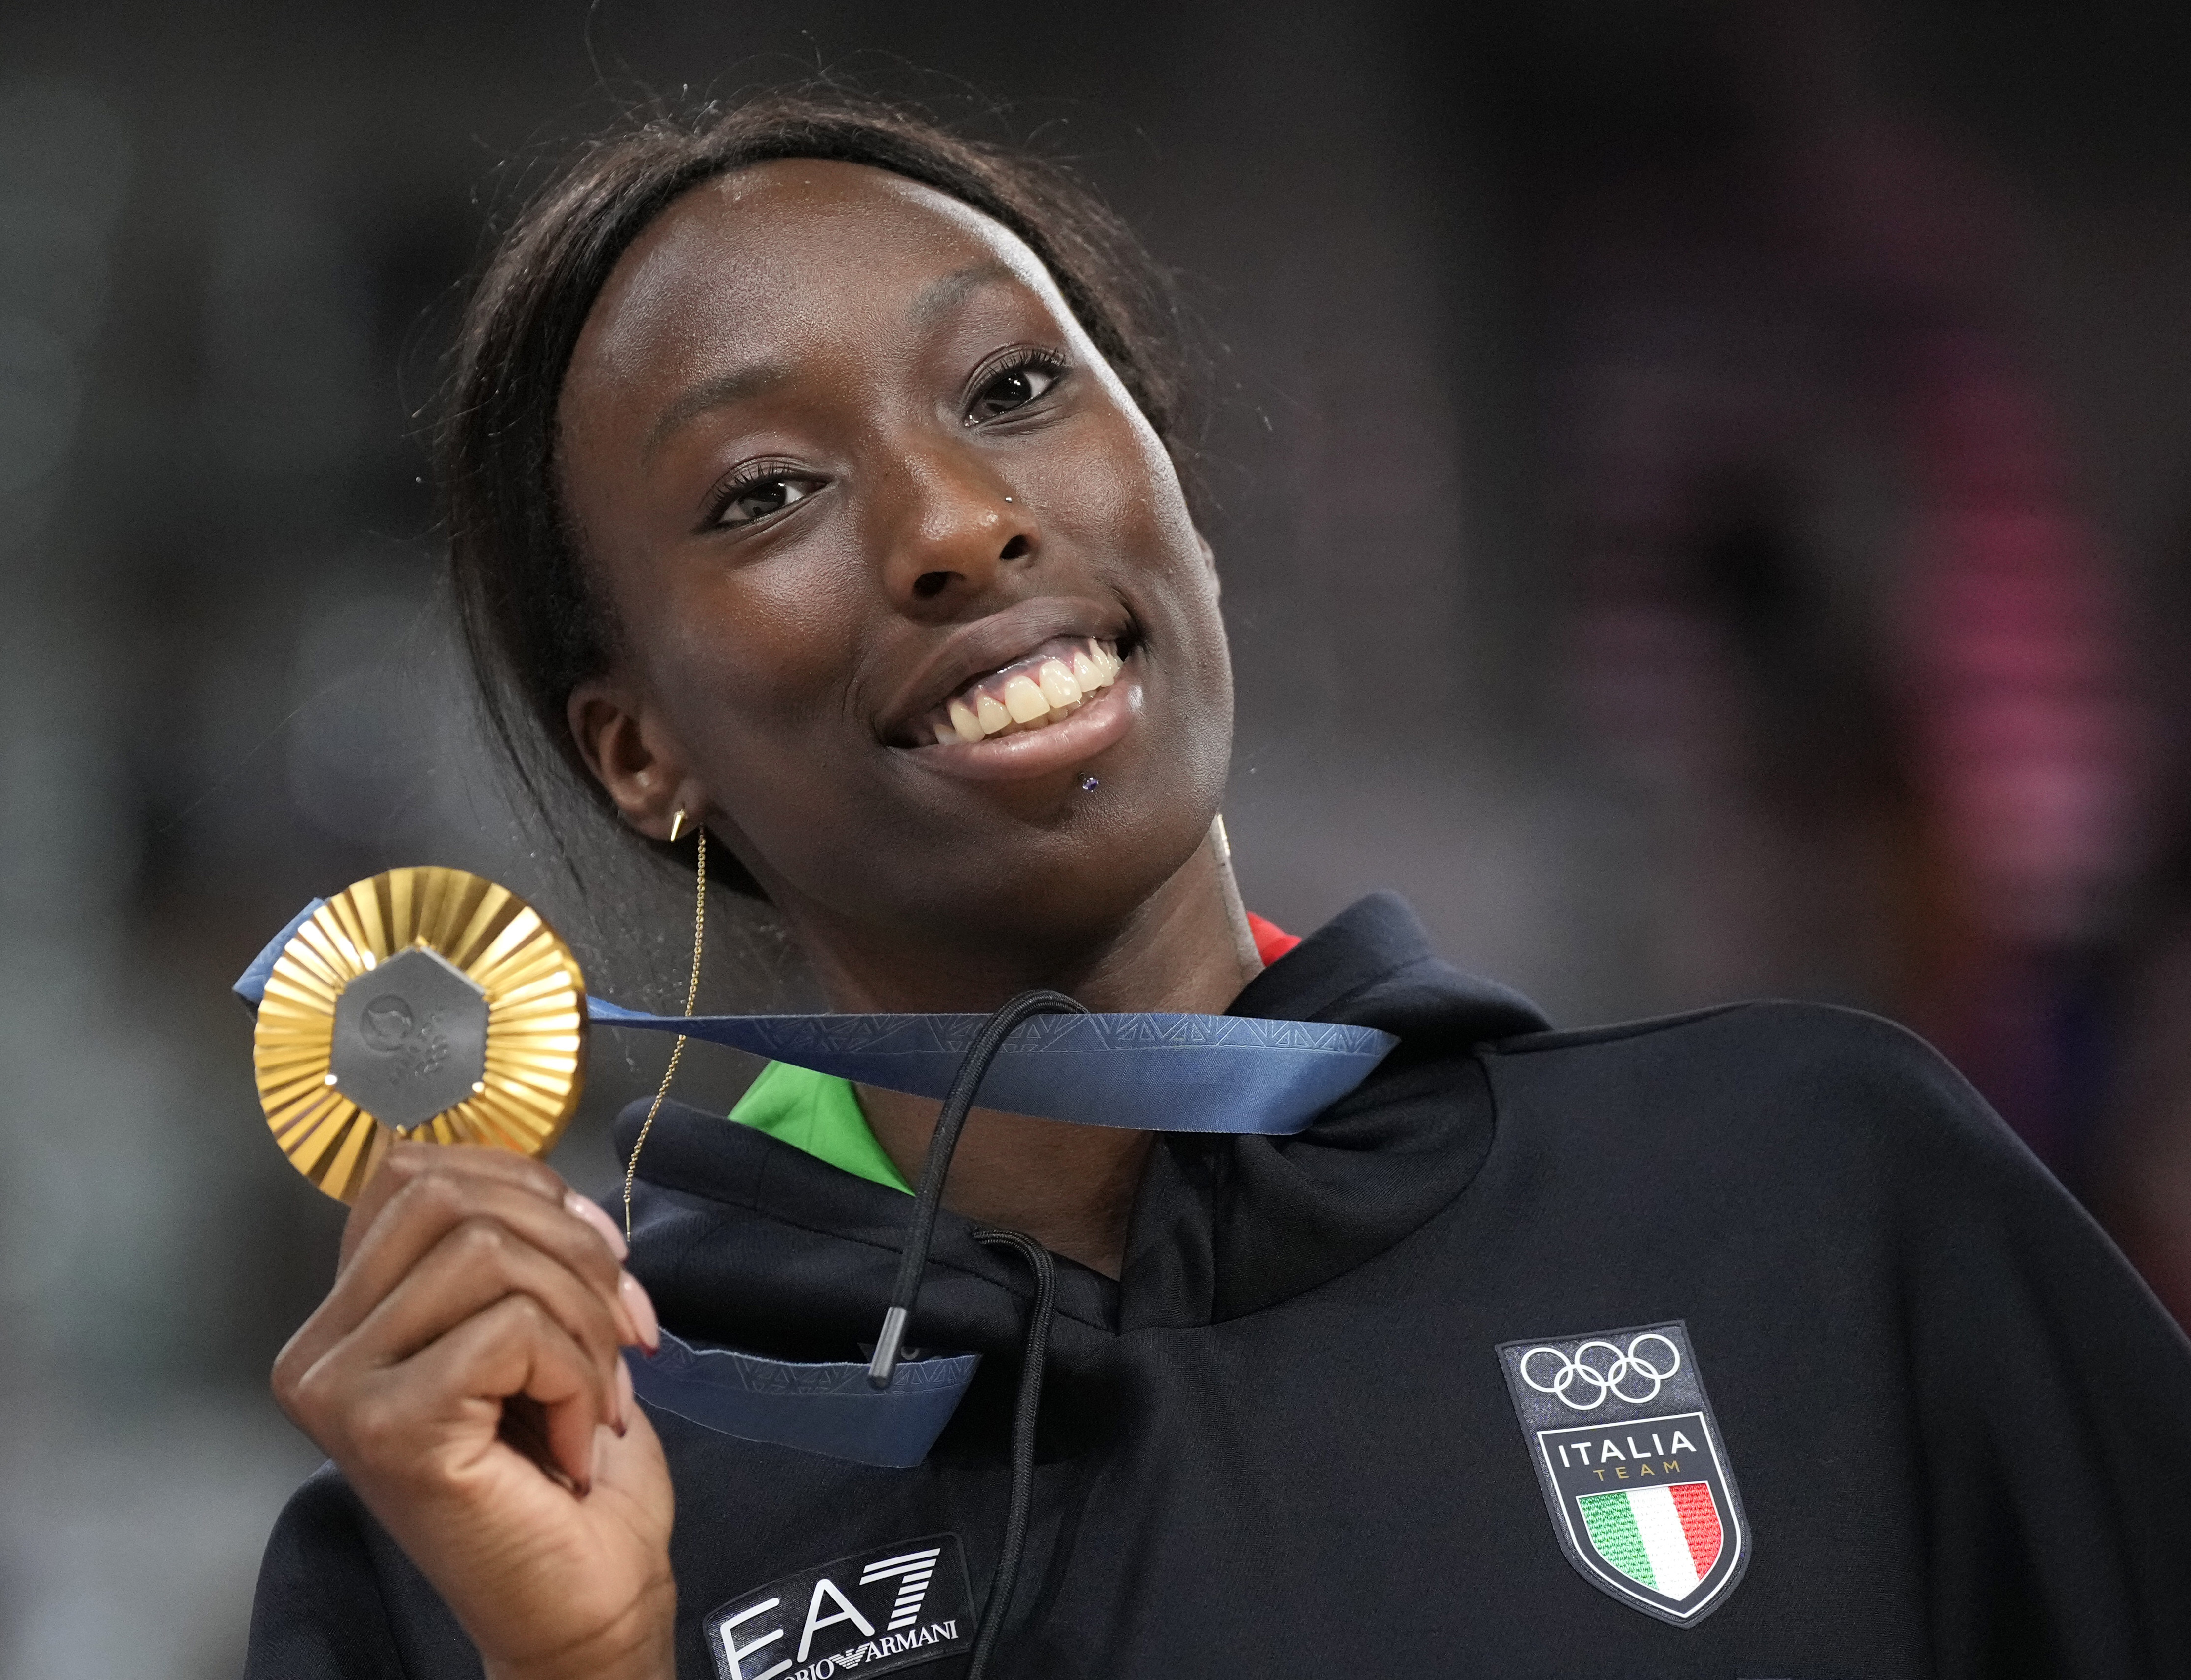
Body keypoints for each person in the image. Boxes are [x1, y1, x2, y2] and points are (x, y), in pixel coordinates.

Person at [241, 93, 2191, 1680]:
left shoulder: (1810, 1197)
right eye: (765, 490)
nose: (954, 522)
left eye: (1010, 392)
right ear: (636, 746)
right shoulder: (506, 1491)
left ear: (1170, 482)